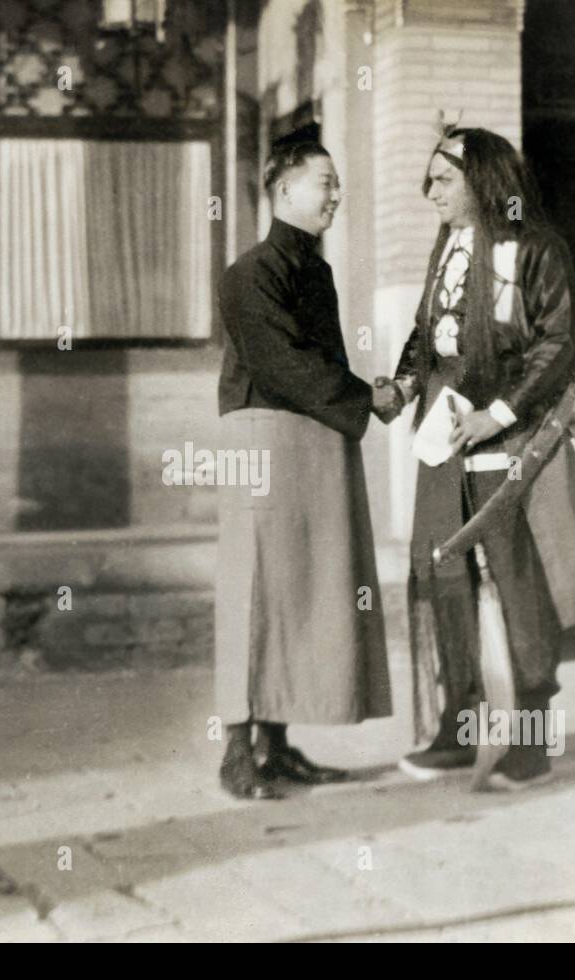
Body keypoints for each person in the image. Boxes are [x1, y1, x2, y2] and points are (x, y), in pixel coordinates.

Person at [377, 124, 575, 791]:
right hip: (443, 429)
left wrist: (498, 413)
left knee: (516, 580)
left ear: (482, 179)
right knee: (441, 570)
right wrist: (407, 382)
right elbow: (425, 332)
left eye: (441, 178)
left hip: (507, 431)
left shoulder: (536, 248)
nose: (427, 190)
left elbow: (556, 343)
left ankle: (532, 738)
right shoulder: (447, 246)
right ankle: (458, 728)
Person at [213, 138, 397, 801]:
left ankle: (279, 745)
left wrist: (364, 392)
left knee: (299, 592)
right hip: (263, 437)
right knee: (253, 586)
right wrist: (362, 398)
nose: (336, 194)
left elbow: (313, 365)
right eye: (326, 182)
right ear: (282, 188)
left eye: (339, 183)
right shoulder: (248, 271)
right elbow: (279, 362)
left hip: (316, 439)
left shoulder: (315, 274)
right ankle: (237, 751)